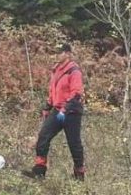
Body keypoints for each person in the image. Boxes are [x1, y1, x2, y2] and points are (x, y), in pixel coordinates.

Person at [23, 43, 86, 181]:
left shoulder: (74, 71)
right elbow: (53, 91)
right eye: (55, 52)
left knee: (74, 144)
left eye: (60, 52)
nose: (56, 55)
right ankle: (39, 172)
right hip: (57, 110)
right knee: (43, 138)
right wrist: (47, 106)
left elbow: (77, 93)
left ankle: (79, 174)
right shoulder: (56, 70)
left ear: (68, 54)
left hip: (72, 113)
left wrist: (65, 110)